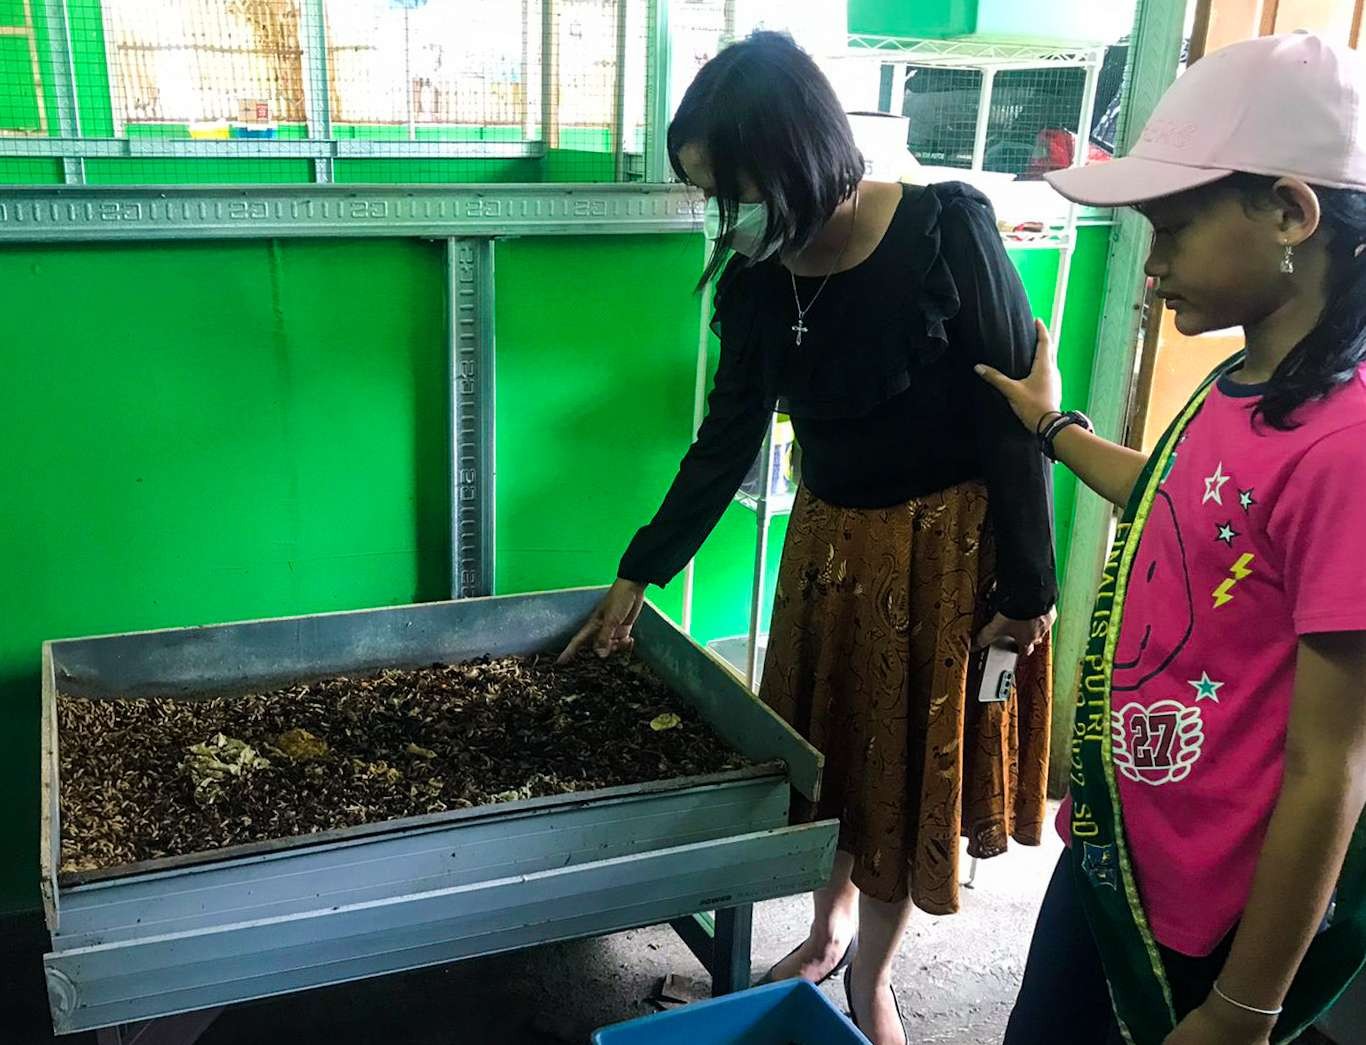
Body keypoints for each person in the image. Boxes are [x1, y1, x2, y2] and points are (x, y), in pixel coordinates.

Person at [558, 32, 1057, 1045]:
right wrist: (639, 569)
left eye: (730, 187)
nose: (722, 214)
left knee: (903, 781)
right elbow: (724, 439)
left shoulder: (941, 228)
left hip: (943, 554)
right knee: (828, 763)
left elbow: (1015, 418)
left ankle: (872, 974)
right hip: (830, 553)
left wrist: (1028, 585)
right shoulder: (755, 281)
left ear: (796, 155)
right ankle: (824, 930)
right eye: (707, 193)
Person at [979, 33, 1366, 1045]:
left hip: (1216, 909)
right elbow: (1174, 502)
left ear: (1290, 211)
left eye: (1175, 231)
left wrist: (1244, 1007)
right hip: (1121, 844)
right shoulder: (1249, 381)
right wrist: (1051, 427)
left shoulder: (1348, 446)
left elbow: (1333, 768)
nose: (1152, 270)